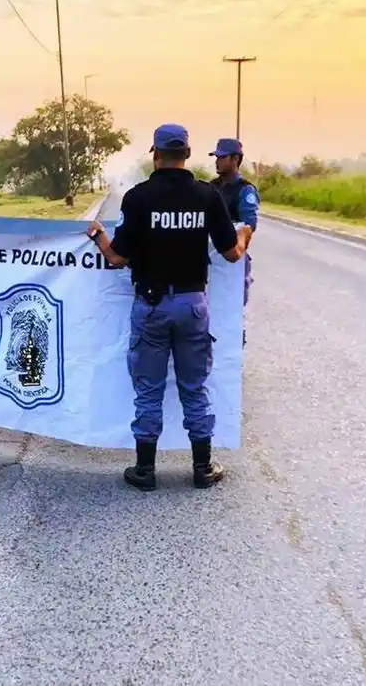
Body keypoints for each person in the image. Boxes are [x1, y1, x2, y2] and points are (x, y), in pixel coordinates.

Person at [85, 123, 249, 491]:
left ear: (155, 155)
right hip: (193, 305)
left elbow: (117, 259)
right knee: (194, 386)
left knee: (148, 388)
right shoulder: (209, 197)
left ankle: (145, 470)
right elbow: (232, 253)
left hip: (152, 306)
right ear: (188, 154)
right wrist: (245, 232)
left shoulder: (138, 198)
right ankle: (202, 468)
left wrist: (97, 235)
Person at [209, 138, 260, 345]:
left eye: (222, 157)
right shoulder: (210, 188)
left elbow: (249, 225)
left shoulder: (244, 190)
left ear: (236, 159)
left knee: (232, 308)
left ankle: (232, 352)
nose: (217, 161)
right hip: (210, 259)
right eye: (216, 157)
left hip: (234, 259)